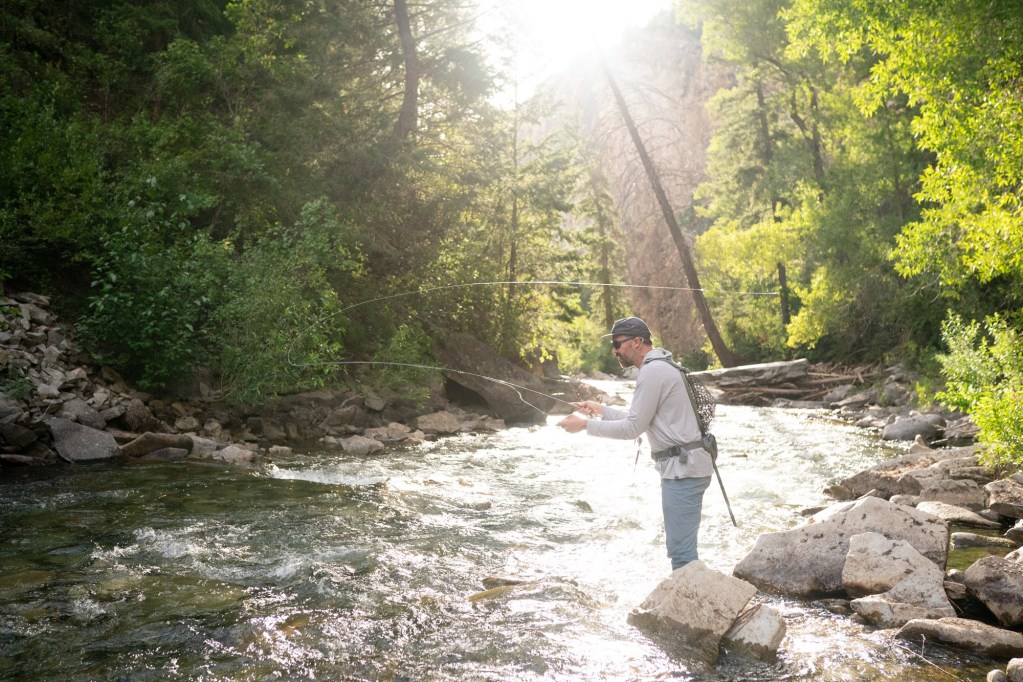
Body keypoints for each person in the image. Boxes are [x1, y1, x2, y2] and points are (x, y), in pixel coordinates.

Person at [557, 316, 713, 571]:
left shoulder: (653, 372)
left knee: (682, 555)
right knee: (681, 551)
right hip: (685, 467)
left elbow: (632, 429)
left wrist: (584, 425)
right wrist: (600, 410)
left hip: (683, 470)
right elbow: (642, 420)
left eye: (618, 343)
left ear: (637, 342)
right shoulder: (661, 367)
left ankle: (695, 608)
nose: (614, 350)